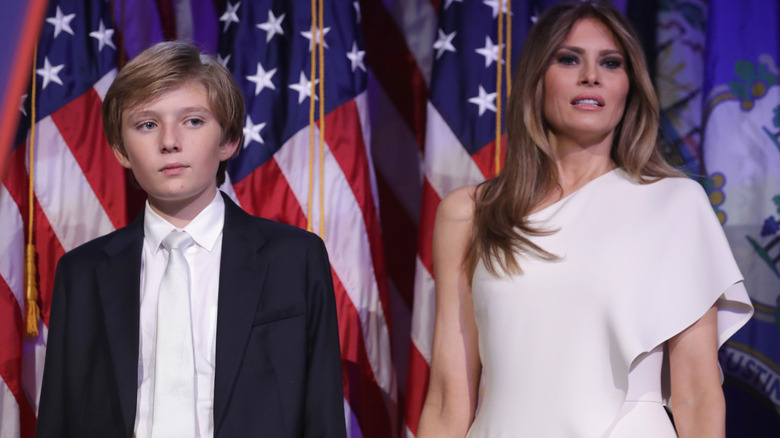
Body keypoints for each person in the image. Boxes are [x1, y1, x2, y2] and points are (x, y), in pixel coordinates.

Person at [417, 2, 753, 437]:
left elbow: (697, 393)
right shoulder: (469, 214)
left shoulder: (675, 204)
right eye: (569, 58)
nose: (590, 75)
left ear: (628, 88)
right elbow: (447, 397)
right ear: (537, 79)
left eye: (610, 63)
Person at [36, 41, 346, 437]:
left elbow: (321, 414)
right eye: (147, 124)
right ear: (120, 149)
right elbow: (61, 417)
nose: (169, 141)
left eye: (193, 121)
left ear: (228, 139)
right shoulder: (83, 272)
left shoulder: (293, 258)